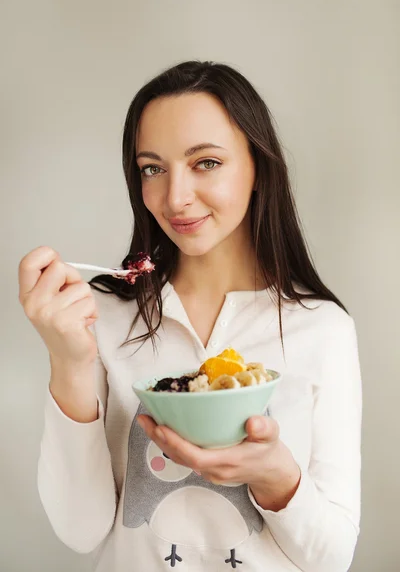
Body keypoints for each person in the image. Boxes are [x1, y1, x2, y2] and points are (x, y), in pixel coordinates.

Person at [18, 61, 362, 572]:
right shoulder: (103, 315)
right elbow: (79, 531)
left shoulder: (322, 329)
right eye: (152, 168)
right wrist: (67, 361)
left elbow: (331, 558)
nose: (174, 198)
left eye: (205, 162)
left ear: (258, 167)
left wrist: (276, 475)